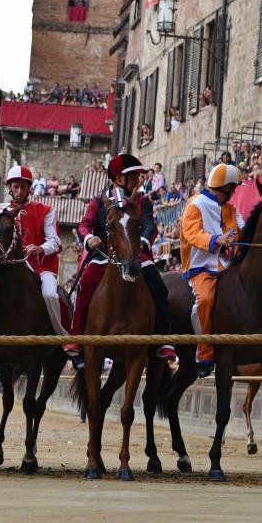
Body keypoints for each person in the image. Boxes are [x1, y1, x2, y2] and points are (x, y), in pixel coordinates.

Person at [69, 154, 175, 369]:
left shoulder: (142, 201)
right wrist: (89, 238)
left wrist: (143, 241)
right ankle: (76, 336)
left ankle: (163, 339)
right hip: (104, 254)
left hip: (135, 253)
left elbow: (150, 226)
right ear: (119, 178)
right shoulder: (98, 201)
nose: (138, 181)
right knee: (86, 282)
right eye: (134, 177)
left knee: (158, 286)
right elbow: (84, 225)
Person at [180, 163, 244, 377]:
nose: (234, 193)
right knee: (205, 300)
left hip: (229, 264)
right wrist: (217, 240)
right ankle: (204, 354)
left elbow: (242, 228)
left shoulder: (230, 209)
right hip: (201, 266)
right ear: (225, 187)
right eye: (233, 188)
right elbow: (191, 233)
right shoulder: (195, 204)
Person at [0, 165, 68, 335]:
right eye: (16, 187)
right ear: (10, 188)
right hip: (8, 267)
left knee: (50, 295)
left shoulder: (45, 210)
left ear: (29, 188)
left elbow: (55, 242)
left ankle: (62, 336)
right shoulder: (0, 211)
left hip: (41, 268)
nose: (19, 191)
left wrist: (40, 248)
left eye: (23, 187)